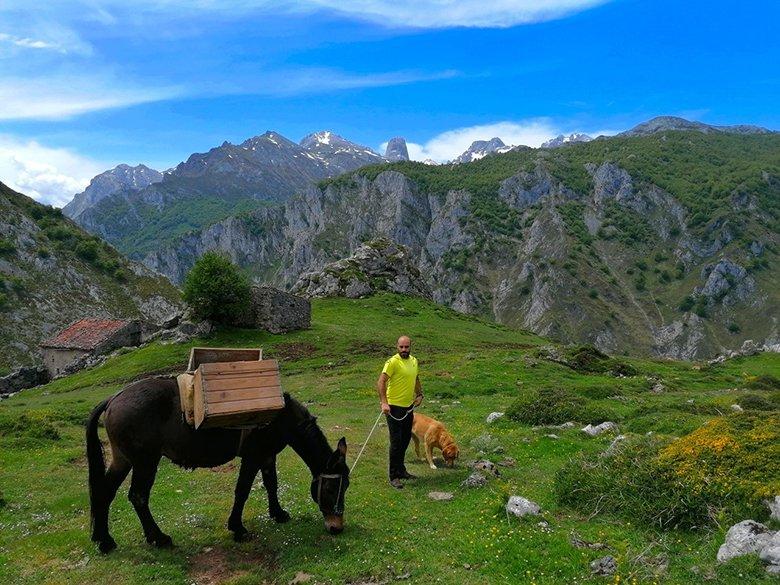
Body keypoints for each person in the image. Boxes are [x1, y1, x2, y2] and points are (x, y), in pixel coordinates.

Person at [377, 335, 423, 489]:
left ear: (410, 347)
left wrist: (420, 394)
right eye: (401, 347)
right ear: (397, 347)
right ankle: (393, 475)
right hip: (393, 408)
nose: (404, 350)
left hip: (408, 407)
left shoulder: (414, 361)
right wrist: (384, 402)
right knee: (396, 442)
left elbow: (416, 379)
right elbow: (381, 381)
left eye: (407, 347)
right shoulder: (392, 362)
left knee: (404, 440)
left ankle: (401, 470)